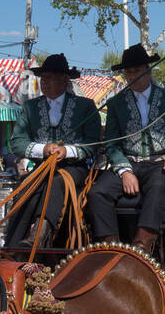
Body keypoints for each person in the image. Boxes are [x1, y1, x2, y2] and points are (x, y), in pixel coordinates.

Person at [87, 44, 165, 255]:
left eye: (137, 71)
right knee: (98, 193)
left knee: (158, 185)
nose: (133, 76)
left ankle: (141, 247)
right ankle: (111, 248)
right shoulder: (116, 104)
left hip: (158, 163)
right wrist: (125, 171)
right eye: (128, 72)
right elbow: (112, 144)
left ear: (148, 70)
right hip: (128, 163)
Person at [6, 52, 103, 249]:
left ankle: (37, 238)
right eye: (43, 78)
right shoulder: (30, 107)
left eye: (50, 78)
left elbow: (93, 143)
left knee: (57, 182)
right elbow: (16, 143)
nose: (45, 83)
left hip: (75, 168)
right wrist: (43, 149)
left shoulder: (85, 106)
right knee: (24, 188)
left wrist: (66, 151)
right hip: (42, 167)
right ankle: (12, 246)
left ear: (65, 80)